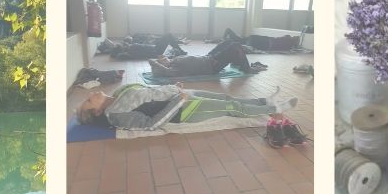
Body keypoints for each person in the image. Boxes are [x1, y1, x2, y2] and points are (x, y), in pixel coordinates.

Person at [76, 82, 296, 132]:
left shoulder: (118, 94)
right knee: (230, 106)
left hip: (180, 93)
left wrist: (172, 88)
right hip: (183, 109)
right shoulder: (116, 115)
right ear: (96, 112)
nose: (90, 95)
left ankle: (264, 101)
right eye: (88, 101)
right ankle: (273, 109)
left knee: (226, 96)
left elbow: (149, 90)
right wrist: (179, 101)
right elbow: (152, 124)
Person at [148, 30, 265, 78]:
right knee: (235, 47)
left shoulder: (173, 60)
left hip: (207, 57)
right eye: (161, 60)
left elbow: (155, 61)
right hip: (211, 66)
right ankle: (247, 69)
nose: (162, 58)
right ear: (163, 66)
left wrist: (162, 61)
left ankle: (238, 62)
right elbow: (153, 62)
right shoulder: (173, 69)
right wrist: (156, 63)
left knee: (229, 41)